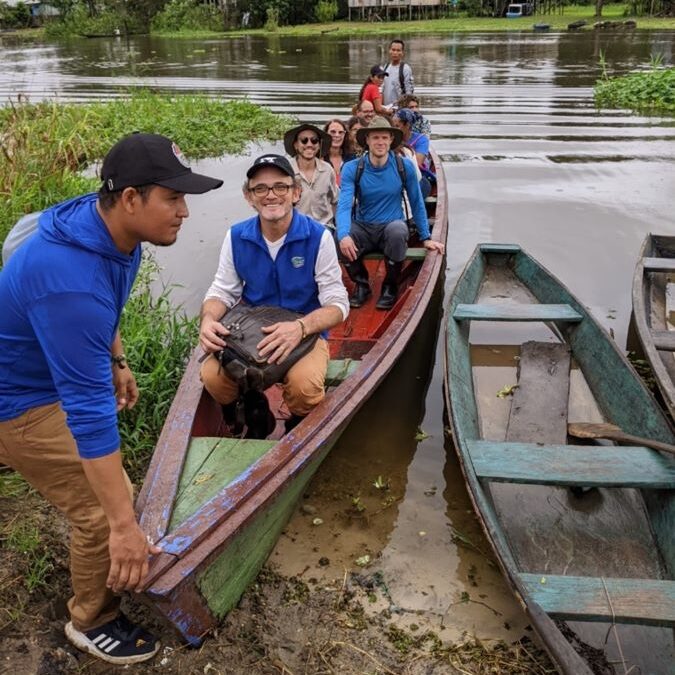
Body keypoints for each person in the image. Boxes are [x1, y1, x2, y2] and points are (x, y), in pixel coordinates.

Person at [0, 133, 223, 665]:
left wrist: (115, 358)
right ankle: (90, 619)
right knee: (104, 507)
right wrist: (124, 528)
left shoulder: (106, 228)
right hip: (22, 400)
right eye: (172, 198)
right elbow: (89, 416)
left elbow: (104, 302)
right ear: (130, 199)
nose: (185, 212)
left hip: (43, 369)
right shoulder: (68, 282)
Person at [199, 154, 349, 433]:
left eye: (280, 187)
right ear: (249, 196)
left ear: (295, 193)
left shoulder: (319, 237)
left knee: (304, 388)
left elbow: (338, 304)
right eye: (261, 189)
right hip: (251, 330)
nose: (271, 196)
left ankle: (297, 425)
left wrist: (300, 327)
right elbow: (223, 290)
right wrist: (208, 320)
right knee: (212, 377)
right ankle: (245, 409)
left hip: (304, 331)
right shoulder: (236, 236)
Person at [336, 117, 444, 311]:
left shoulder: (404, 166)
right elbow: (344, 206)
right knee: (339, 238)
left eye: (385, 138)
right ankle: (362, 284)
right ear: (367, 140)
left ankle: (390, 286)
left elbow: (417, 202)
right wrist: (343, 235)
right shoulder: (353, 168)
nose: (380, 142)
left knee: (397, 231)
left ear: (391, 141)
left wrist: (425, 237)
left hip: (390, 225)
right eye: (375, 137)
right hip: (363, 226)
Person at [284, 123, 337, 228]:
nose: (309, 144)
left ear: (319, 145)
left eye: (314, 140)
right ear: (295, 145)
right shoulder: (285, 170)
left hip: (324, 227)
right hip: (295, 228)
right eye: (304, 140)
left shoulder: (327, 169)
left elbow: (336, 201)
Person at [382, 39, 414, 107]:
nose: (395, 53)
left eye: (398, 50)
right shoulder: (386, 67)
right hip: (386, 108)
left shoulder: (405, 69)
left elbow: (409, 92)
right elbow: (383, 88)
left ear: (402, 53)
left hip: (399, 108)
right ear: (389, 51)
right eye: (393, 50)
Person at [322, 118, 352, 186]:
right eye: (333, 132)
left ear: (345, 135)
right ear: (325, 134)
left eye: (341, 132)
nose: (337, 135)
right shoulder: (318, 159)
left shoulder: (352, 159)